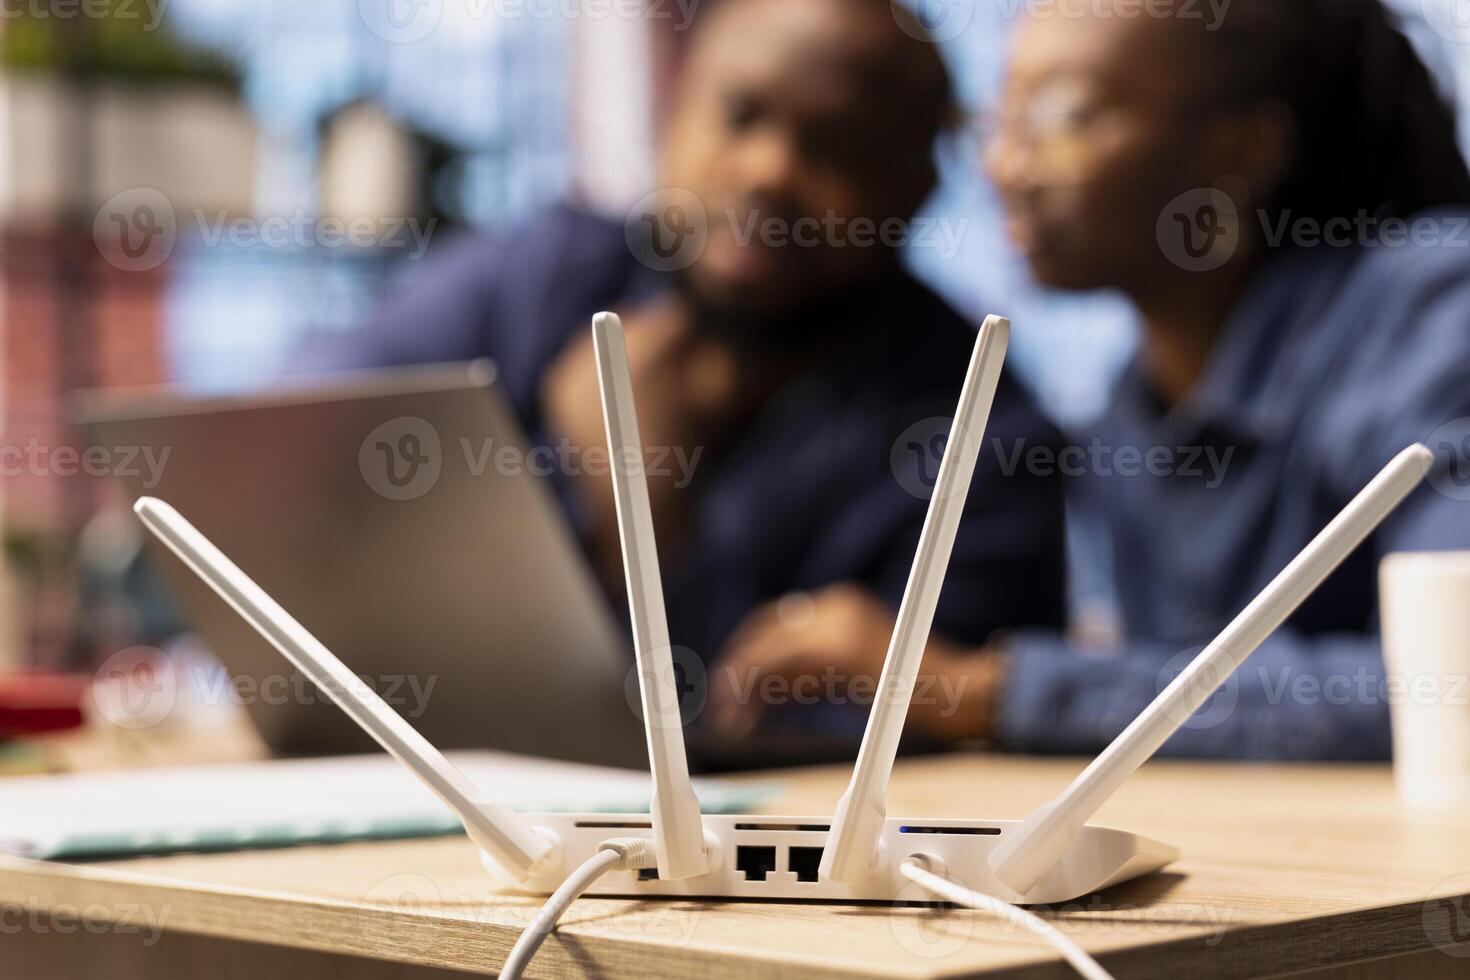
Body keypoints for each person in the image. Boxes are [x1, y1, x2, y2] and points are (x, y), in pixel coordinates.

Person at [715, 0, 1470, 759]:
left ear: (1241, 152)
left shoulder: (1432, 313)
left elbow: (1446, 688)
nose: (1007, 166)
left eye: (1066, 115)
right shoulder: (1128, 403)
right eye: (999, 119)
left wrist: (986, 690)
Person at [299, 0, 1066, 745]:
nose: (769, 169)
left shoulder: (980, 430)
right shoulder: (550, 273)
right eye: (738, 115)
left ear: (916, 187)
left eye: (837, 145)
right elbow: (294, 430)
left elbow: (899, 746)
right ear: (672, 112)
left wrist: (645, 512)